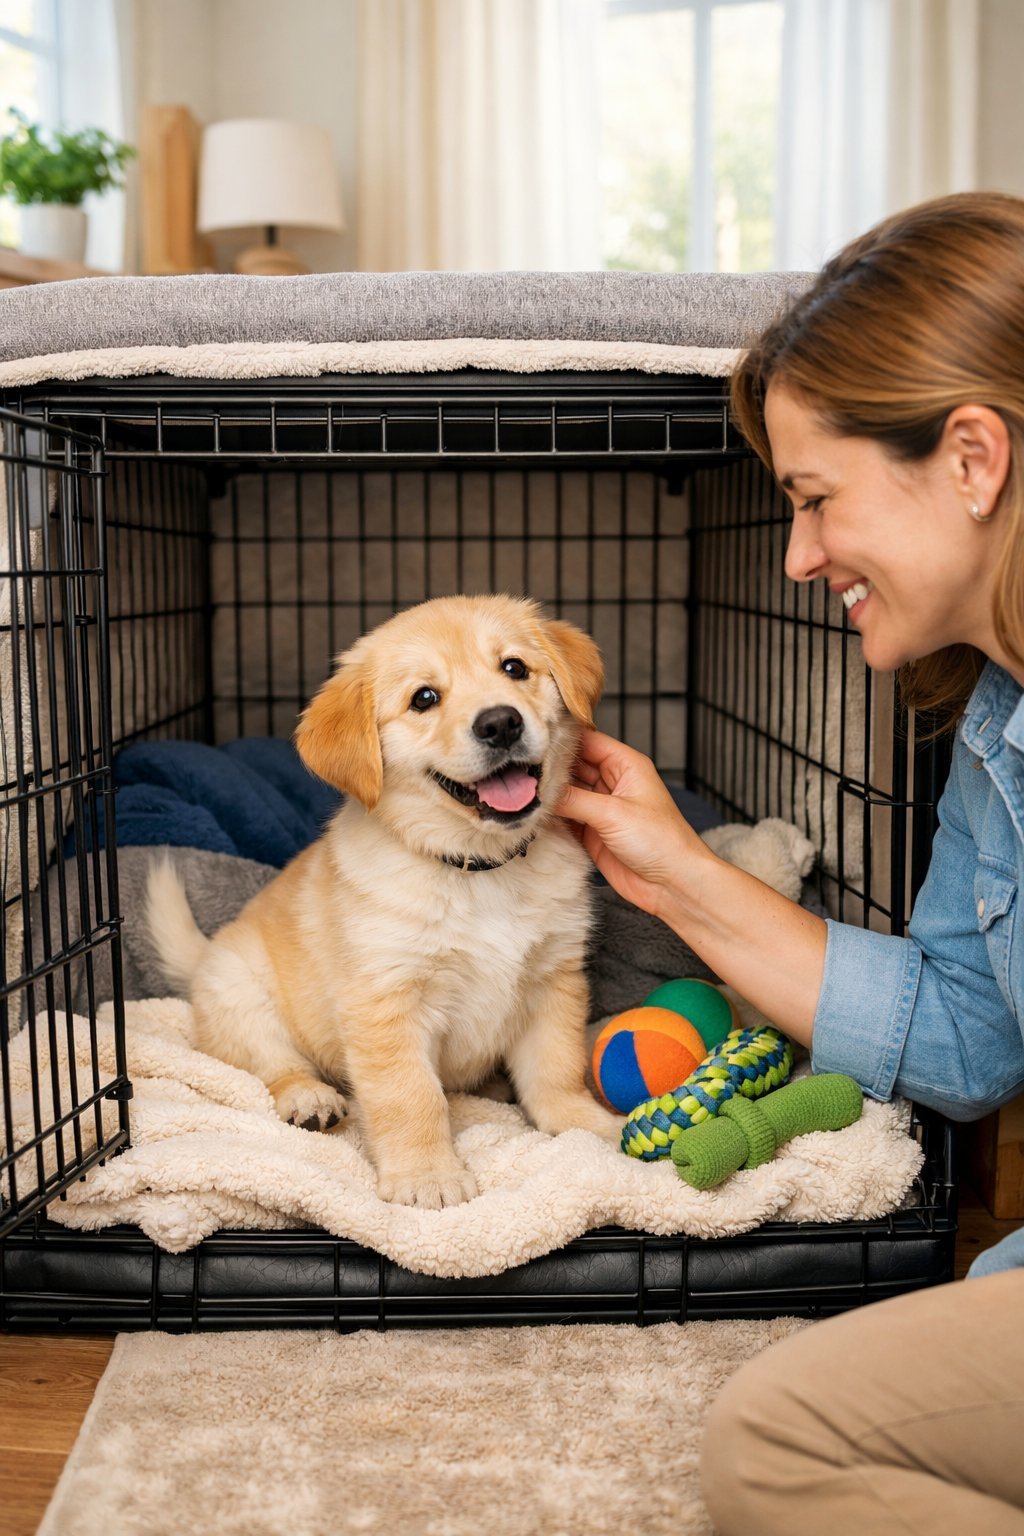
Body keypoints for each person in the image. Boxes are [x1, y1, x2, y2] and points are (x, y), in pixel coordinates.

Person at [555, 191, 1024, 1536]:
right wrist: (670, 869)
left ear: (972, 459)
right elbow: (961, 1037)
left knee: (776, 1446)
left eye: (817, 499)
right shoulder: (992, 726)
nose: (800, 554)